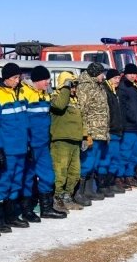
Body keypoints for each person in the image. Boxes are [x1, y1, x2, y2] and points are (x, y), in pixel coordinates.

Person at [0, 62, 31, 231]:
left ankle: (11, 215)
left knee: (16, 181)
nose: (17, 80)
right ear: (6, 78)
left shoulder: (20, 92)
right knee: (2, 182)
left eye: (18, 77)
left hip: (21, 147)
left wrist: (28, 143)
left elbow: (25, 121)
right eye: (14, 77)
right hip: (7, 149)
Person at [20, 65, 64, 220]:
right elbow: (22, 122)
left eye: (48, 79)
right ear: (37, 80)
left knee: (48, 175)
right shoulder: (25, 94)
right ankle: (26, 210)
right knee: (28, 177)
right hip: (31, 145)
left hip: (43, 144)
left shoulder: (45, 95)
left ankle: (46, 208)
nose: (48, 82)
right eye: (45, 79)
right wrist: (27, 143)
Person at [50, 71, 85, 210]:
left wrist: (85, 136)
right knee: (60, 172)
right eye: (72, 85)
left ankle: (67, 196)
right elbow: (59, 106)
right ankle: (56, 197)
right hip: (61, 141)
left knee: (75, 172)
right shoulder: (56, 97)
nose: (74, 88)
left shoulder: (75, 100)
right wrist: (65, 87)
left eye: (75, 85)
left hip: (75, 141)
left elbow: (81, 119)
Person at [76, 62, 111, 200]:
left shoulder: (99, 86)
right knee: (87, 162)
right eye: (102, 73)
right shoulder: (85, 87)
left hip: (100, 131)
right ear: (95, 74)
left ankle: (89, 190)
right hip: (91, 131)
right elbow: (82, 110)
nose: (104, 76)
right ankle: (79, 192)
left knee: (95, 161)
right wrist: (84, 133)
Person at [118, 63, 137, 188]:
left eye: (134, 73)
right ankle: (120, 176)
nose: (132, 76)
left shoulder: (136, 86)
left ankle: (129, 175)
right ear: (125, 74)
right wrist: (133, 118)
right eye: (130, 73)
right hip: (129, 126)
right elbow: (124, 108)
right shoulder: (123, 87)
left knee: (135, 153)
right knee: (125, 153)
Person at [101, 69, 126, 195]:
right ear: (109, 79)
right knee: (107, 159)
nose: (117, 81)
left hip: (118, 130)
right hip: (110, 130)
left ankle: (111, 182)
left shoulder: (116, 92)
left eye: (118, 78)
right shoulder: (106, 91)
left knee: (116, 158)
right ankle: (103, 184)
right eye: (115, 78)